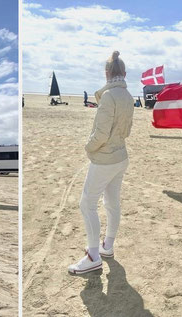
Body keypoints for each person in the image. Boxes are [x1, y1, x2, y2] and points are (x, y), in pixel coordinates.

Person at [68, 51, 134, 275]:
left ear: (107, 74)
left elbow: (101, 133)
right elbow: (126, 130)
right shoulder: (128, 97)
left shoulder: (109, 97)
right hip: (121, 156)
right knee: (112, 202)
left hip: (105, 158)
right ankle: (107, 246)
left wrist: (89, 147)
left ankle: (93, 255)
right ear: (123, 73)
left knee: (87, 203)